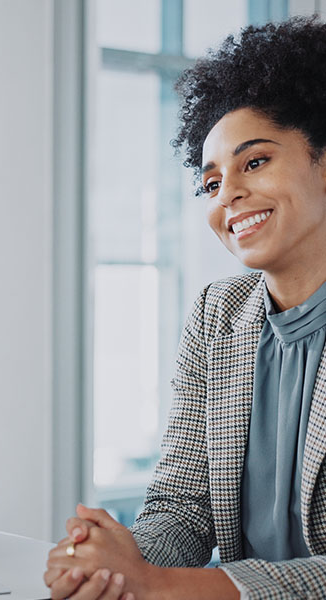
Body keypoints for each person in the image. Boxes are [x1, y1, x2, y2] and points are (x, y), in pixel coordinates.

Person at [45, 17, 326, 600]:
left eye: (254, 163)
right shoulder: (218, 314)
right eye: (211, 182)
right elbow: (185, 504)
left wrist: (165, 585)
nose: (228, 197)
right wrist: (117, 562)